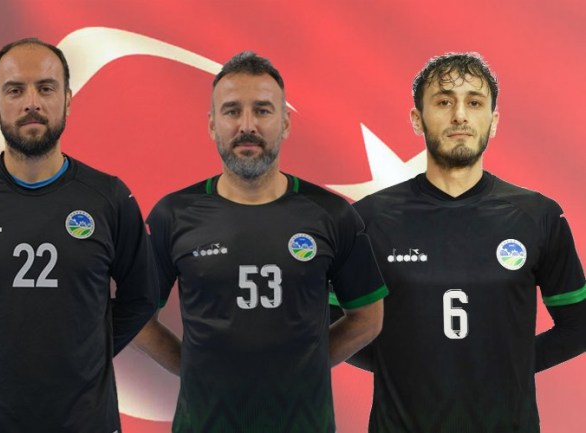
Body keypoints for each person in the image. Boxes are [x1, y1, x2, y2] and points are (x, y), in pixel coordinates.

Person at [332, 52, 586, 432]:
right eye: (444, 102)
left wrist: (509, 367)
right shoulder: (367, 220)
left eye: (475, 103)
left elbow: (578, 326)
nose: (460, 116)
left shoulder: (539, 215)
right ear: (417, 119)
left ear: (493, 121)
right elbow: (331, 321)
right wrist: (399, 368)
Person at [133, 51, 387, 433]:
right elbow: (137, 318)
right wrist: (195, 369)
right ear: (212, 124)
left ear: (285, 123)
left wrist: (307, 368)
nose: (247, 125)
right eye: (232, 111)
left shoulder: (332, 213)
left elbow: (368, 318)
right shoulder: (173, 213)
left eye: (263, 111)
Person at [0, 38, 158, 433]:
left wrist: (89, 350)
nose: (31, 102)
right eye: (15, 90)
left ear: (68, 100)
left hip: (86, 421)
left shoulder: (109, 197)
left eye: (46, 88)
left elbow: (141, 297)